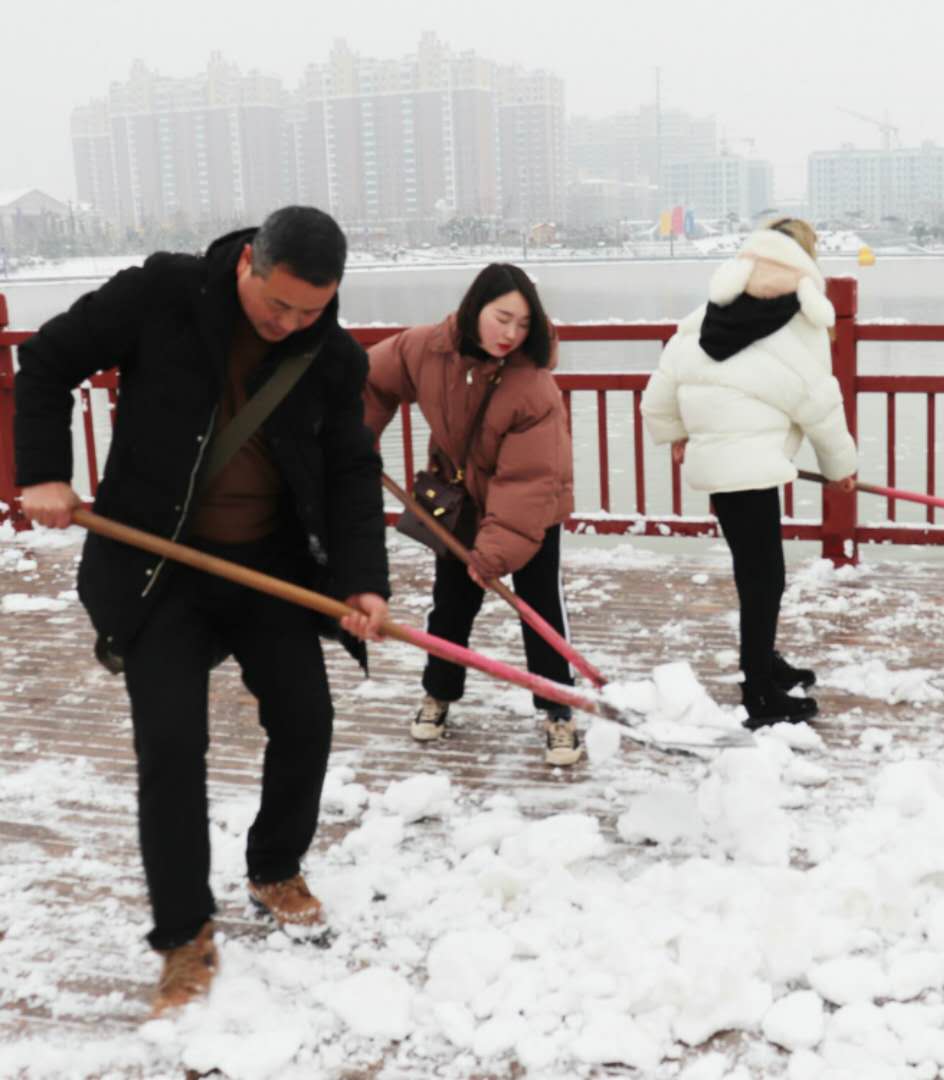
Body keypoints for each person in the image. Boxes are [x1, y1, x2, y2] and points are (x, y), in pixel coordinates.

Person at [13, 206, 390, 1015]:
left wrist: (364, 582)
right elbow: (45, 361)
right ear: (249, 261)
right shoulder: (162, 295)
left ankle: (274, 868)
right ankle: (183, 935)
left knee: (306, 718)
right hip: (160, 569)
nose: (289, 324)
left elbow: (352, 472)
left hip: (268, 570)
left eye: (310, 311)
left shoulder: (331, 357)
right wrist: (43, 471)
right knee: (172, 746)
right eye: (278, 304)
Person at [641, 218, 858, 728]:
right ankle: (760, 692)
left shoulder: (708, 315)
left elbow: (661, 389)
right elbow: (818, 402)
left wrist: (677, 433)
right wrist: (840, 468)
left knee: (753, 571)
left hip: (722, 467)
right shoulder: (799, 321)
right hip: (751, 469)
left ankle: (764, 661)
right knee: (765, 579)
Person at [363, 263, 579, 763]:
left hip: (531, 514)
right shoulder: (425, 350)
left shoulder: (533, 387)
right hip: (459, 505)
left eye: (523, 324)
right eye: (502, 318)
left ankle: (559, 711)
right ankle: (438, 694)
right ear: (474, 308)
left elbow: (526, 482)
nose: (511, 334)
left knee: (540, 608)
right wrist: (359, 438)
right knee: (450, 605)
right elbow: (369, 380)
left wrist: (493, 552)